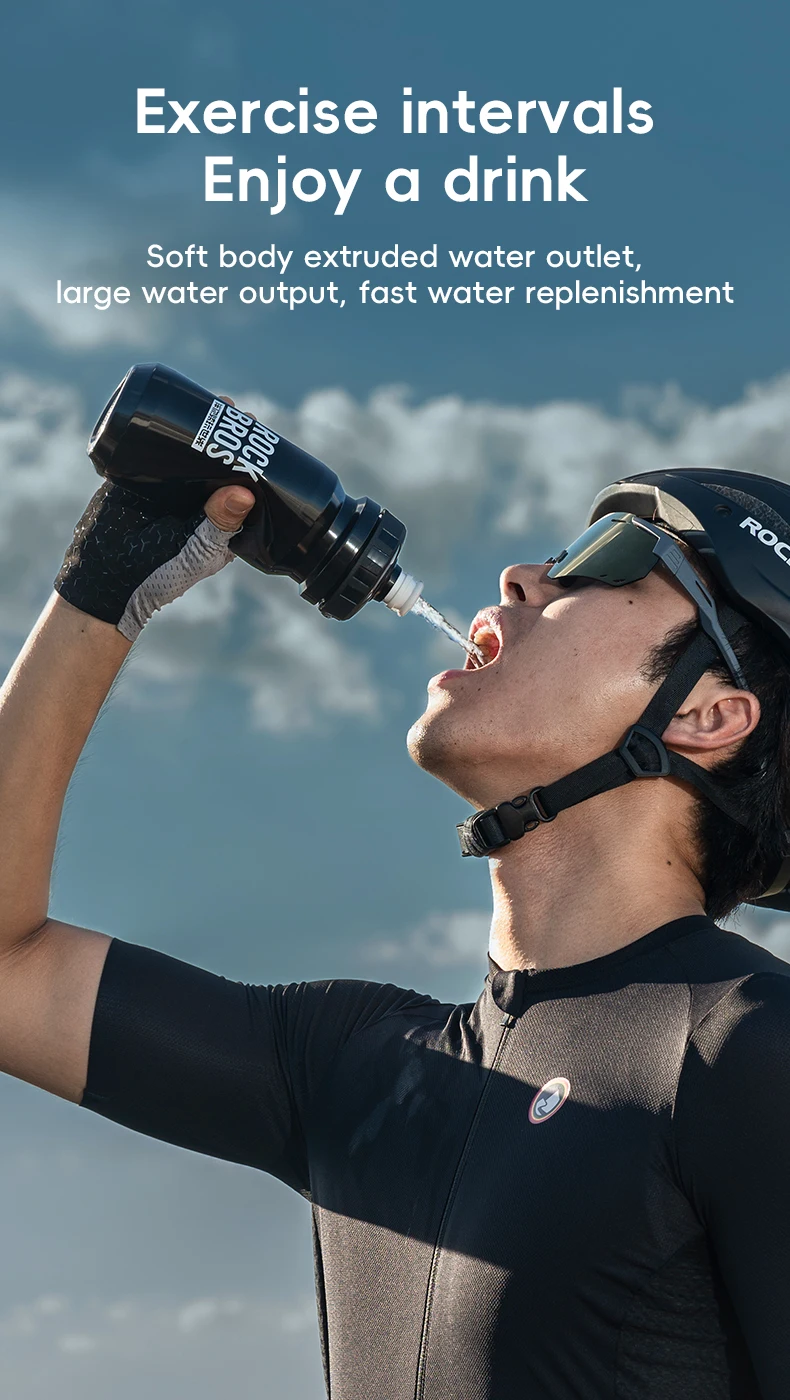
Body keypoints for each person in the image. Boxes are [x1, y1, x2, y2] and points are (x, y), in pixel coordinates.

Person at [1, 432, 789, 1400]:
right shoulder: (354, 1063)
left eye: (609, 560)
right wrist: (105, 584)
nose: (520, 577)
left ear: (708, 715)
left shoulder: (753, 1048)